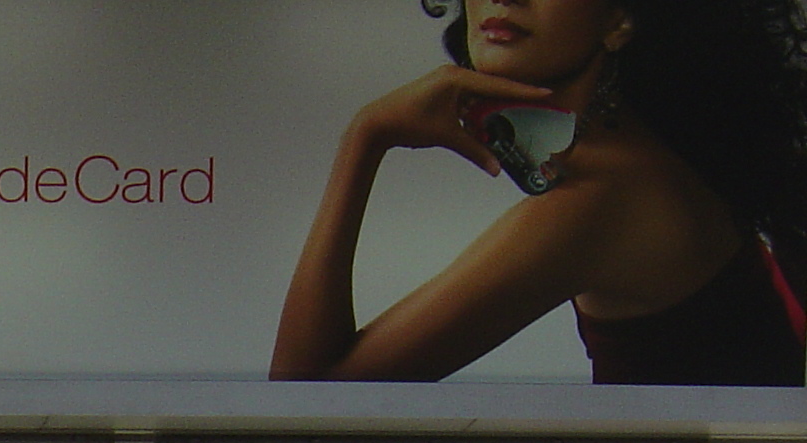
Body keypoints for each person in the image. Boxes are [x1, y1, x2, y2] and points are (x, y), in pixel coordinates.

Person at [274, 0, 807, 385]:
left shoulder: (598, 203)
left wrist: (365, 136)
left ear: (619, 21)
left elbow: (307, 401)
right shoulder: (647, 149)